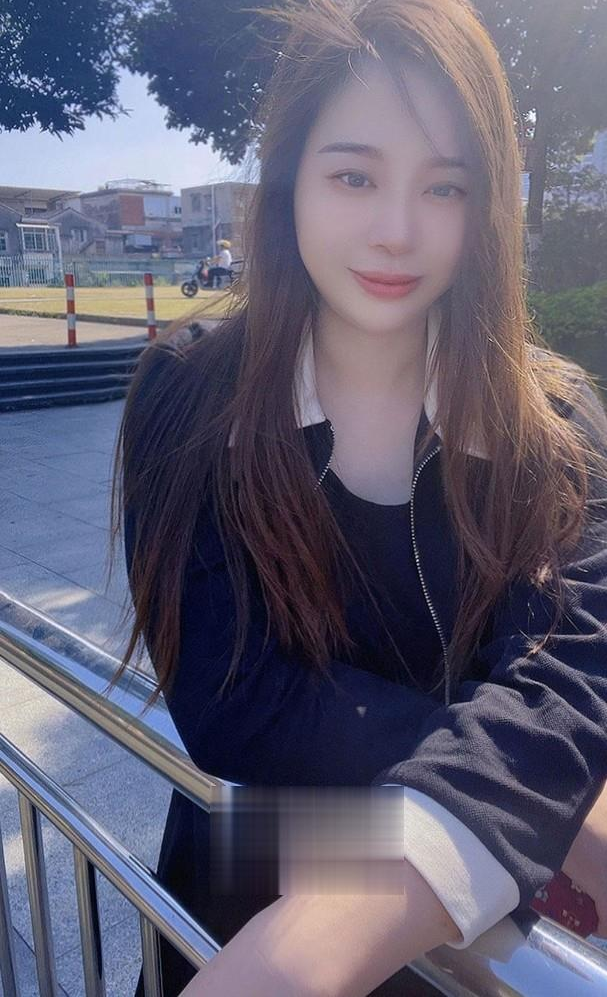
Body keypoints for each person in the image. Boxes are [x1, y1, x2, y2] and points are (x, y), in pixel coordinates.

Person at [108, 0, 607, 994]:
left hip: (462, 938)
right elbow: (235, 699)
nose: (396, 231)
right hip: (248, 903)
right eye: (354, 176)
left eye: (444, 186)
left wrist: (507, 784)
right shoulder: (190, 396)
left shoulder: (550, 420)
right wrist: (524, 785)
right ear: (289, 180)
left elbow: (568, 668)